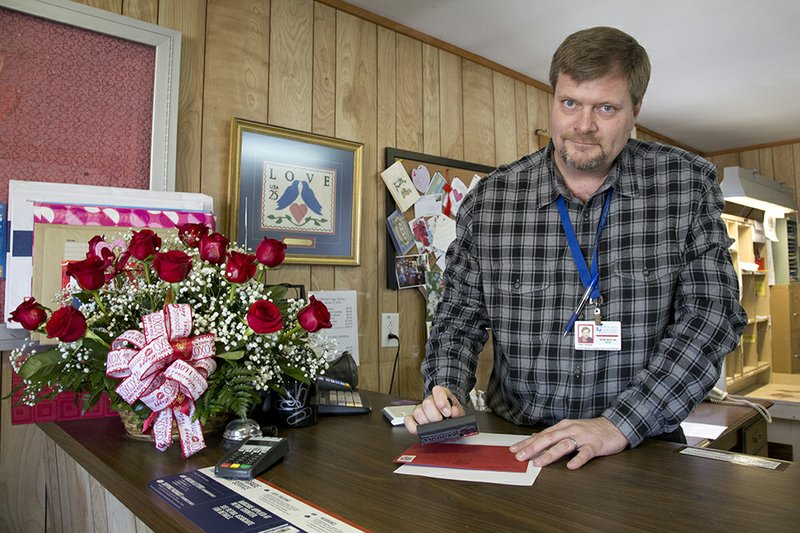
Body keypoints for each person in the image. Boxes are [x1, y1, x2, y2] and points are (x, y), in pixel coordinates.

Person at [404, 26, 747, 470]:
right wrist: (445, 389)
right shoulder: (492, 201)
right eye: (570, 103)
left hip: (640, 445)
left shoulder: (683, 186)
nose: (584, 125)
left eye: (606, 107)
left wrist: (618, 424)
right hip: (519, 445)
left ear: (635, 109)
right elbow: (459, 318)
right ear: (553, 99)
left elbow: (712, 316)